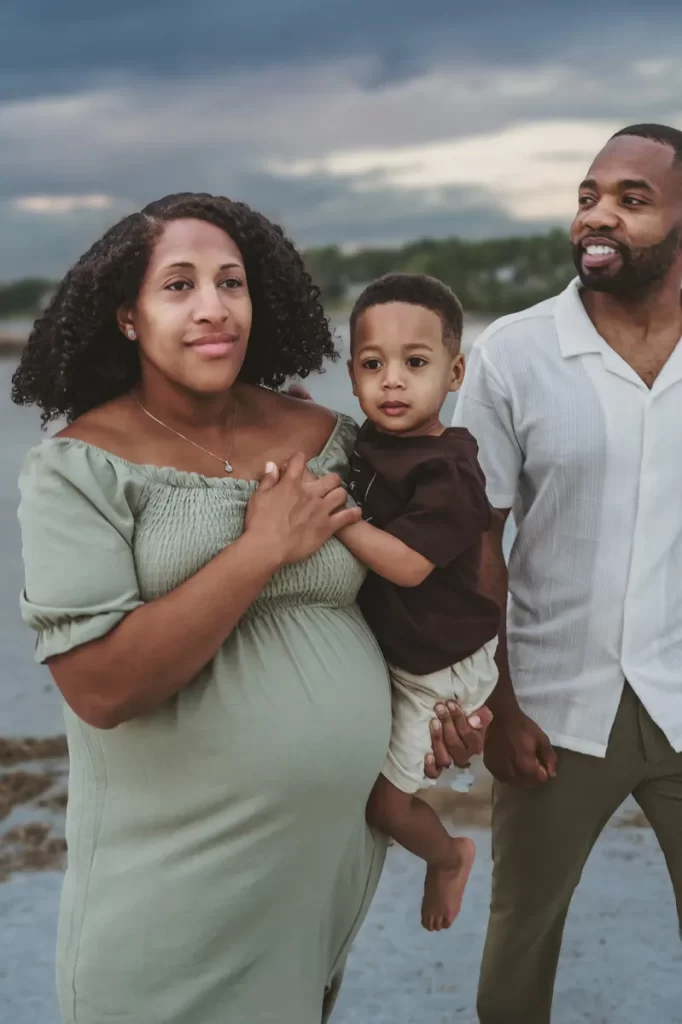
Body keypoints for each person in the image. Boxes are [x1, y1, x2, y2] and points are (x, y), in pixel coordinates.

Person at [12, 193, 484, 1024]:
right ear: (127, 316)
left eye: (231, 282)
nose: (213, 307)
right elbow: (101, 689)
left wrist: (448, 701)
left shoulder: (333, 435)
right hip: (172, 884)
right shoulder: (75, 470)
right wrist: (259, 549)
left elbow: (431, 572)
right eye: (179, 286)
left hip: (319, 866)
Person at [453, 124, 682, 1023]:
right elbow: (477, 545)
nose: (600, 216)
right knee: (518, 956)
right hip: (551, 710)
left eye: (634, 200)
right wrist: (500, 707)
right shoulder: (514, 354)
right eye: (590, 195)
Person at [331, 273, 500, 932]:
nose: (392, 380)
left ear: (454, 372)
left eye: (416, 363)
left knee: (386, 805)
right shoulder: (372, 441)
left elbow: (405, 566)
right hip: (407, 642)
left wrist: (340, 519)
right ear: (351, 375)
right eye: (374, 364)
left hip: (442, 661)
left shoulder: (448, 474)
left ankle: (449, 855)